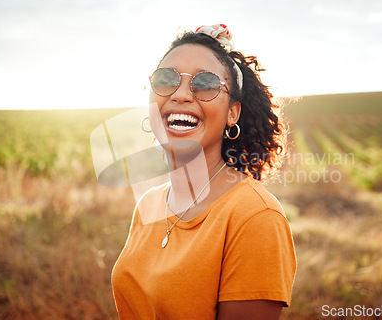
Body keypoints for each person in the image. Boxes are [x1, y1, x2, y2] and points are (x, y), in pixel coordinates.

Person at [111, 24, 297, 319]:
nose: (181, 94)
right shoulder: (149, 204)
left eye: (206, 83)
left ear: (232, 112)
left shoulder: (255, 217)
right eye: (165, 79)